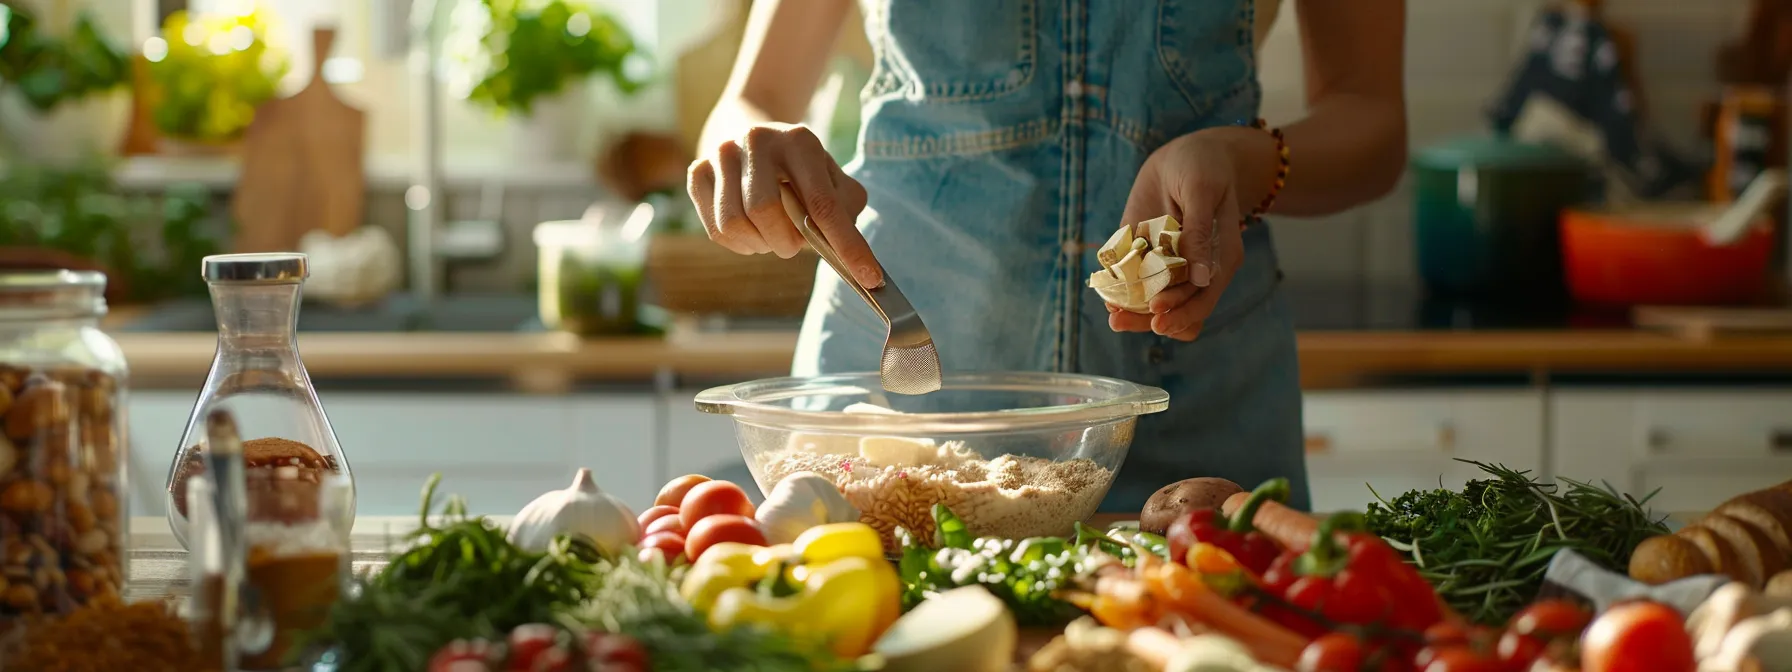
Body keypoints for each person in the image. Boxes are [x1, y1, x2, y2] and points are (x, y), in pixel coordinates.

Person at [687, 0, 1407, 512]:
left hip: (1196, 416)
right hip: (887, 414)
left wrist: (1238, 158)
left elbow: (1371, 120)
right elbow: (755, 97)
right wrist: (748, 147)